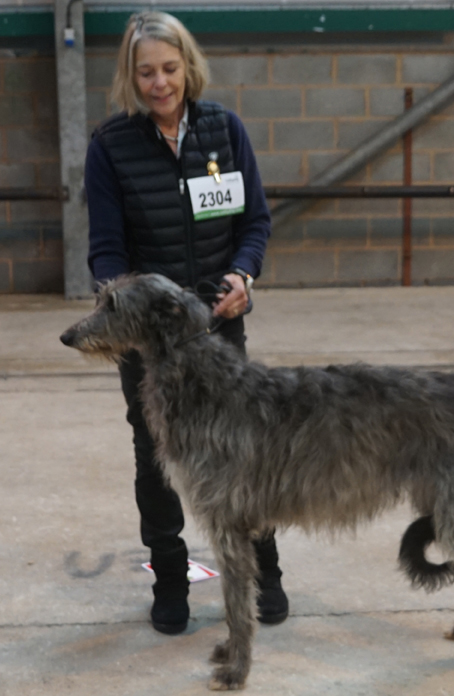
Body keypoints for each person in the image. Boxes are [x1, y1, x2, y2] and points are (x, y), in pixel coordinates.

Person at [84, 11, 288, 635]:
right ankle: (170, 577)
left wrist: (243, 276)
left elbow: (254, 221)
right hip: (149, 341)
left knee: (245, 455)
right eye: (145, 72)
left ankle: (265, 573)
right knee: (156, 456)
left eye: (169, 69)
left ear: (187, 66)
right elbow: (107, 251)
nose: (159, 84)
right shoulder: (110, 146)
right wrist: (125, 311)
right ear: (131, 75)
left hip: (220, 328)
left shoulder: (224, 130)